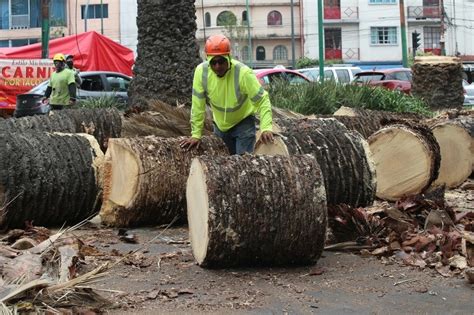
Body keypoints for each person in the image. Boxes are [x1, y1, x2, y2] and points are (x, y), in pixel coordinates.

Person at [180, 34, 274, 154]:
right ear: (208, 60)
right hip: (220, 126)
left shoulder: (243, 73)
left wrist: (266, 127)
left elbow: (262, 100)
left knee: (243, 164)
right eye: (213, 63)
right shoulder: (201, 72)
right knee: (225, 166)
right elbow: (198, 105)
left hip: (243, 122)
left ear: (228, 57)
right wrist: (196, 135)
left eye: (221, 61)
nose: (217, 66)